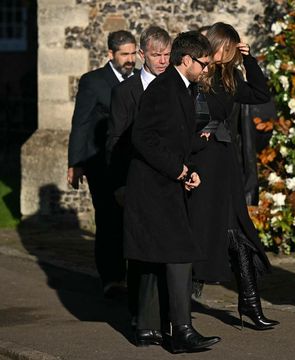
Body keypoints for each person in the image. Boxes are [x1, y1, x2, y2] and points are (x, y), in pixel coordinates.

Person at [123, 31, 220, 354]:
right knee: (179, 254)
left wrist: (191, 159)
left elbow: (173, 136)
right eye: (203, 63)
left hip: (165, 185)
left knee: (161, 257)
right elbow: (143, 138)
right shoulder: (164, 89)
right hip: (153, 188)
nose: (206, 69)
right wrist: (178, 170)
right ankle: (181, 331)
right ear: (187, 59)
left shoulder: (181, 88)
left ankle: (155, 328)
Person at [189, 22, 279, 330]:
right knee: (201, 229)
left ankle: (250, 305)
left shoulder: (230, 77)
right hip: (200, 160)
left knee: (239, 231)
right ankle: (182, 303)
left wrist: (249, 59)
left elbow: (260, 93)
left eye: (231, 50)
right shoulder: (195, 76)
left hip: (225, 163)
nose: (226, 56)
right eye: (224, 49)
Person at [107, 26, 172, 347]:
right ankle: (139, 315)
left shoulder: (177, 87)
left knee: (167, 252)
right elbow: (115, 142)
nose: (162, 61)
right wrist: (119, 184)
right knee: (141, 252)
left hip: (170, 181)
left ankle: (166, 316)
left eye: (167, 55)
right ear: (142, 55)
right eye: (157, 55)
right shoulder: (126, 92)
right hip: (137, 181)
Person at [67, 30, 137, 297]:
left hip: (134, 162)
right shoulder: (93, 82)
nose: (130, 59)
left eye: (133, 53)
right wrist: (75, 163)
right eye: (124, 54)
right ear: (111, 54)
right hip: (101, 164)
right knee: (109, 220)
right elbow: (81, 123)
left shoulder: (143, 80)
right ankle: (112, 278)